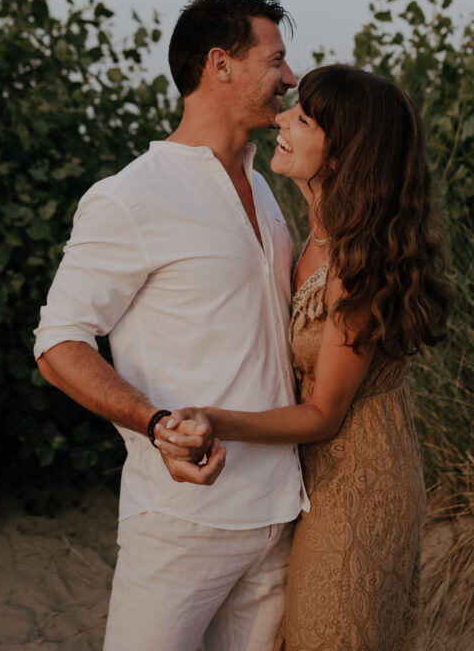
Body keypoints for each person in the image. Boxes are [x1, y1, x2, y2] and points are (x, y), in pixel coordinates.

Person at [33, 0, 309, 651]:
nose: (291, 77)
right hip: (182, 521)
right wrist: (156, 424)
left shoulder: (266, 186)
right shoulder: (131, 195)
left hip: (277, 517)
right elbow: (57, 343)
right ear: (221, 64)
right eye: (276, 60)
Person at [155, 64, 453, 651]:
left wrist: (216, 418)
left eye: (304, 118)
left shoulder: (357, 266)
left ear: (342, 156)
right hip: (311, 481)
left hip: (361, 485)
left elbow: (323, 415)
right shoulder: (306, 237)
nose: (282, 118)